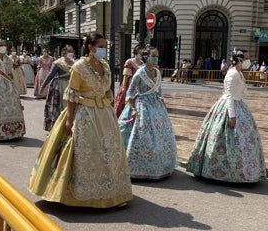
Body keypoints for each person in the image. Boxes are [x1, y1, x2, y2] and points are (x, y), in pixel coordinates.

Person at [27, 33, 132, 208]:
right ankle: (77, 193)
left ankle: (110, 190)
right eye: (101, 46)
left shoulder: (104, 65)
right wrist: (69, 119)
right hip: (84, 114)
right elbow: (71, 94)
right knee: (85, 150)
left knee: (109, 150)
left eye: (105, 46)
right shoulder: (79, 66)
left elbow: (107, 90)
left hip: (104, 114)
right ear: (91, 47)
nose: (104, 49)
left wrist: (110, 108)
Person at [186, 51, 267, 183]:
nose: (249, 61)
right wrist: (232, 116)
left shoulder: (239, 73)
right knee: (225, 138)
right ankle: (221, 172)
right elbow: (229, 95)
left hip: (239, 104)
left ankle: (243, 171)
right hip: (229, 107)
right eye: (246, 58)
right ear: (240, 60)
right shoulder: (232, 73)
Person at [118, 47, 177, 180]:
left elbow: (159, 92)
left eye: (157, 56)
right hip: (142, 105)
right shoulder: (139, 73)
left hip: (156, 107)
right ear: (146, 57)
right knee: (143, 134)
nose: (156, 58)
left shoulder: (157, 72)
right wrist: (133, 109)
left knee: (161, 135)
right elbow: (129, 93)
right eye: (153, 56)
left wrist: (163, 104)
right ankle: (138, 166)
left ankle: (161, 165)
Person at [41, 45, 75, 131]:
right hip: (60, 86)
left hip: (72, 86)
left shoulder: (75, 63)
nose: (71, 53)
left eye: (72, 51)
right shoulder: (58, 63)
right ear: (64, 53)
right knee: (59, 107)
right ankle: (58, 127)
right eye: (69, 51)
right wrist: (43, 85)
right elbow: (50, 75)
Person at [114, 45, 144, 117]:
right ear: (136, 52)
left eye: (142, 53)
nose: (141, 54)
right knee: (124, 102)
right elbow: (126, 76)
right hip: (129, 85)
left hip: (138, 87)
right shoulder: (129, 62)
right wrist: (124, 87)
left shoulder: (142, 63)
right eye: (139, 52)